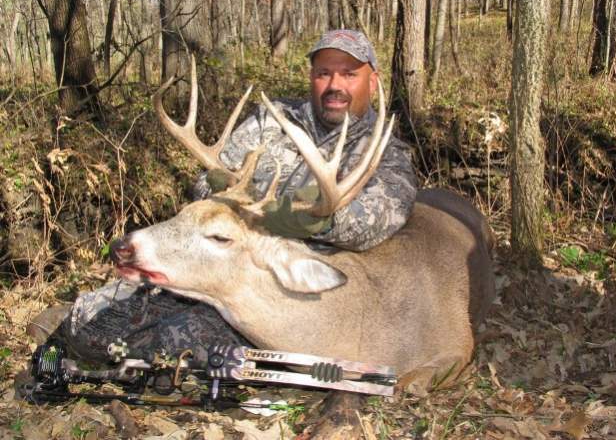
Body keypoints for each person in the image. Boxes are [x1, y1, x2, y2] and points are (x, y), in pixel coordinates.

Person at [27, 30, 417, 363]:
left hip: (293, 284)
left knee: (182, 338)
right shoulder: (272, 118)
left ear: (373, 80)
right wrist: (218, 186)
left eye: (349, 74)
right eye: (323, 73)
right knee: (100, 317)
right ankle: (80, 319)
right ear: (312, 76)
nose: (335, 85)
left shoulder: (386, 153)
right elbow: (207, 184)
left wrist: (320, 219)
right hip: (220, 255)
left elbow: (382, 220)